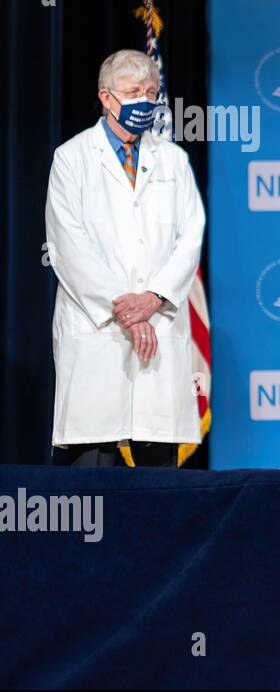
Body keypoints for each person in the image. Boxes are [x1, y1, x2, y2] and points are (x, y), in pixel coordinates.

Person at [44, 49, 206, 467]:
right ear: (106, 97)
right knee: (92, 467)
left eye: (150, 93)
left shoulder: (171, 159)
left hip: (158, 324)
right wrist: (124, 310)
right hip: (97, 328)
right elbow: (68, 243)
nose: (144, 102)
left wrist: (152, 299)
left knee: (157, 480)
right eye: (133, 92)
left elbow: (190, 236)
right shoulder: (72, 158)